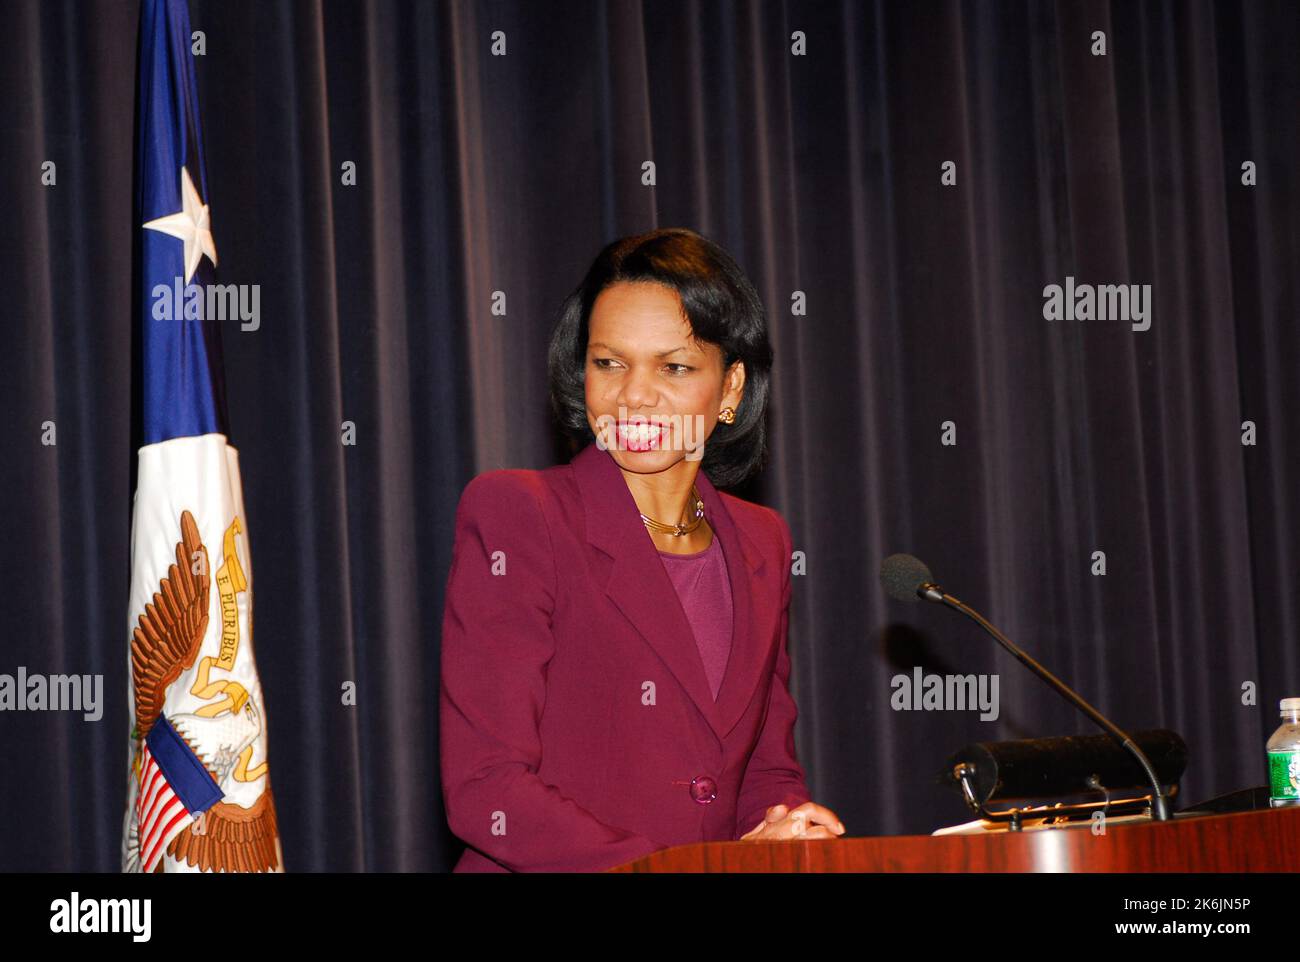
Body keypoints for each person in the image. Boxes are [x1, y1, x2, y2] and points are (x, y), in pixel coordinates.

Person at [439, 227, 844, 872]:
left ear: (732, 388)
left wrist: (787, 831)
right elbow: (487, 788)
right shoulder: (520, 515)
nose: (634, 395)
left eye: (674, 367)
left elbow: (764, 772)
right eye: (609, 362)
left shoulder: (762, 541)